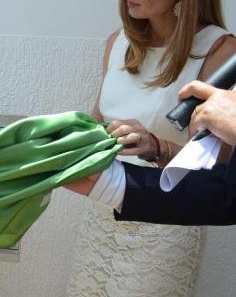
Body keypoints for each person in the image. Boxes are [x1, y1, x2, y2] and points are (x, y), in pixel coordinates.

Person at [64, 0, 236, 297]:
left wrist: (157, 145)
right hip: (103, 213)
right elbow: (95, 123)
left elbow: (215, 173)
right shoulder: (117, 44)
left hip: (165, 223)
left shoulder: (220, 53)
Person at [67, 80, 236, 225]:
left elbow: (220, 175)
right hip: (122, 202)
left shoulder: (221, 48)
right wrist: (112, 182)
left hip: (168, 226)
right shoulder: (115, 44)